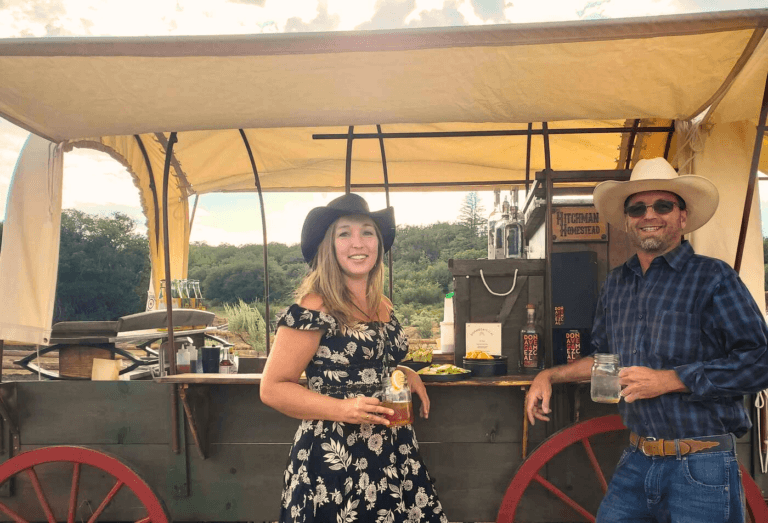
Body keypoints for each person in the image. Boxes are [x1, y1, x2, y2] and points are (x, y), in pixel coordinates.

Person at [525, 157, 768, 523]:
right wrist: (549, 375)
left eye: (662, 206)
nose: (648, 215)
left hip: (701, 462)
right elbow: (605, 360)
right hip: (639, 458)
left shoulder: (713, 278)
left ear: (682, 217)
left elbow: (760, 361)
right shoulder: (616, 284)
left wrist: (671, 379)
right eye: (637, 208)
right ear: (627, 221)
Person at [261, 193, 448, 523]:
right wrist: (343, 409)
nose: (357, 243)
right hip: (335, 457)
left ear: (378, 244)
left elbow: (371, 362)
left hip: (392, 451)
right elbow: (272, 388)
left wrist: (403, 370)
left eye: (367, 232)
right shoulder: (315, 305)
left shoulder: (383, 304)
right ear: (329, 246)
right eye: (344, 233)